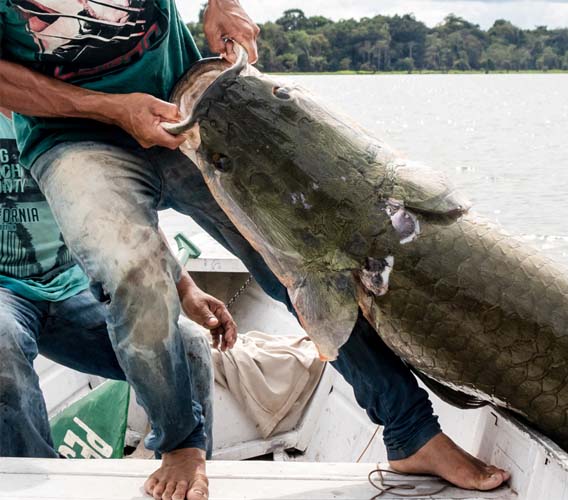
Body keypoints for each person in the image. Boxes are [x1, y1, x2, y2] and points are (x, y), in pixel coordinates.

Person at [0, 1, 508, 500]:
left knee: (299, 264)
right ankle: (181, 444)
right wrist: (110, 107)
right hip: (71, 137)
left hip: (184, 104)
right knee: (132, 272)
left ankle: (412, 433)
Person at [0, 108, 230, 477]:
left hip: (77, 286)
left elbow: (126, 219)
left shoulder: (66, 116)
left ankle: (188, 474)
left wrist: (186, 289)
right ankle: (34, 478)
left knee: (188, 344)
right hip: (5, 295)